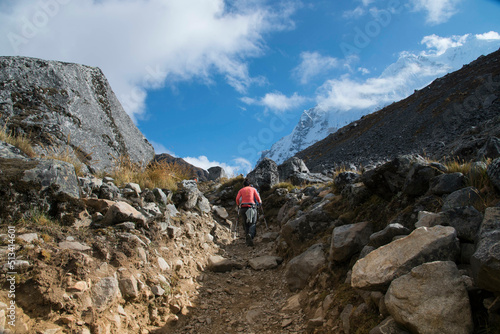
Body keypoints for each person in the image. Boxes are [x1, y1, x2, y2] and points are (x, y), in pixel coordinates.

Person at [235, 179, 262, 246]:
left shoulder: (241, 190)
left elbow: (237, 199)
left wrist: (238, 205)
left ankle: (247, 241)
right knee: (252, 223)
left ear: (243, 185)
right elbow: (257, 198)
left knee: (245, 224)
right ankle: (250, 235)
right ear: (249, 185)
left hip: (243, 208)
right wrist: (259, 203)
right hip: (251, 207)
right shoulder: (253, 189)